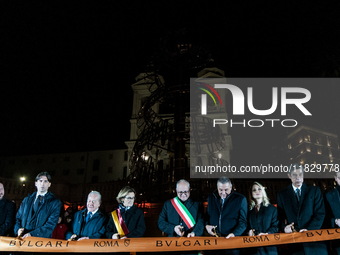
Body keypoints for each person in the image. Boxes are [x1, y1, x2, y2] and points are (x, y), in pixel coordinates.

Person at [277, 164, 327, 255]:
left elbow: (320, 214)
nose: (298, 177)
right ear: (289, 176)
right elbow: (280, 217)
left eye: (300, 174)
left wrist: (308, 230)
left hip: (315, 243)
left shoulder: (314, 190)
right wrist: (284, 228)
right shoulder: (282, 194)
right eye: (294, 175)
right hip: (295, 245)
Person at [205, 177, 247, 255]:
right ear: (217, 188)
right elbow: (207, 215)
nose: (223, 192)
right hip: (215, 242)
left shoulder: (240, 199)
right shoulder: (211, 197)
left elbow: (243, 222)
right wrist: (207, 225)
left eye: (226, 190)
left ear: (231, 187)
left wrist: (234, 234)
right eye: (220, 190)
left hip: (232, 243)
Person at [14, 172, 61, 238]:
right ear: (36, 183)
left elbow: (50, 225)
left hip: (40, 242)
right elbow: (18, 218)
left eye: (45, 181)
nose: (42, 184)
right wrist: (17, 230)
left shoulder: (55, 203)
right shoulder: (26, 200)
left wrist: (32, 234)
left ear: (49, 184)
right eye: (40, 181)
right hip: (23, 239)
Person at [247, 182, 278, 255]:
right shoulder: (249, 211)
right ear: (251, 193)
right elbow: (246, 226)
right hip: (253, 248)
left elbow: (276, 226)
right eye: (254, 190)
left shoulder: (271, 209)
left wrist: (267, 233)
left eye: (259, 189)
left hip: (269, 247)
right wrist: (248, 232)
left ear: (263, 191)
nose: (257, 191)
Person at [325, 171, 340, 254]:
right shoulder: (328, 196)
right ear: (336, 178)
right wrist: (336, 221)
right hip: (338, 242)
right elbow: (326, 217)